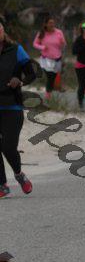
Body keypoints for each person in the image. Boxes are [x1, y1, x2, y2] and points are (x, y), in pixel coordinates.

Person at [0, 19, 37, 198]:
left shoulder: (16, 50)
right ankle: (2, 185)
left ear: (3, 31)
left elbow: (31, 73)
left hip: (12, 107)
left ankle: (19, 174)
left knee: (8, 147)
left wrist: (20, 81)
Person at [33, 17, 66, 100]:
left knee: (53, 77)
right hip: (46, 59)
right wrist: (42, 47)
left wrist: (62, 43)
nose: (52, 25)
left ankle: (49, 93)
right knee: (50, 77)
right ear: (46, 24)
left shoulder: (59, 32)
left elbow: (63, 44)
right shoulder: (42, 33)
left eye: (53, 23)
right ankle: (48, 96)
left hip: (57, 58)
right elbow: (35, 44)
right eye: (50, 23)